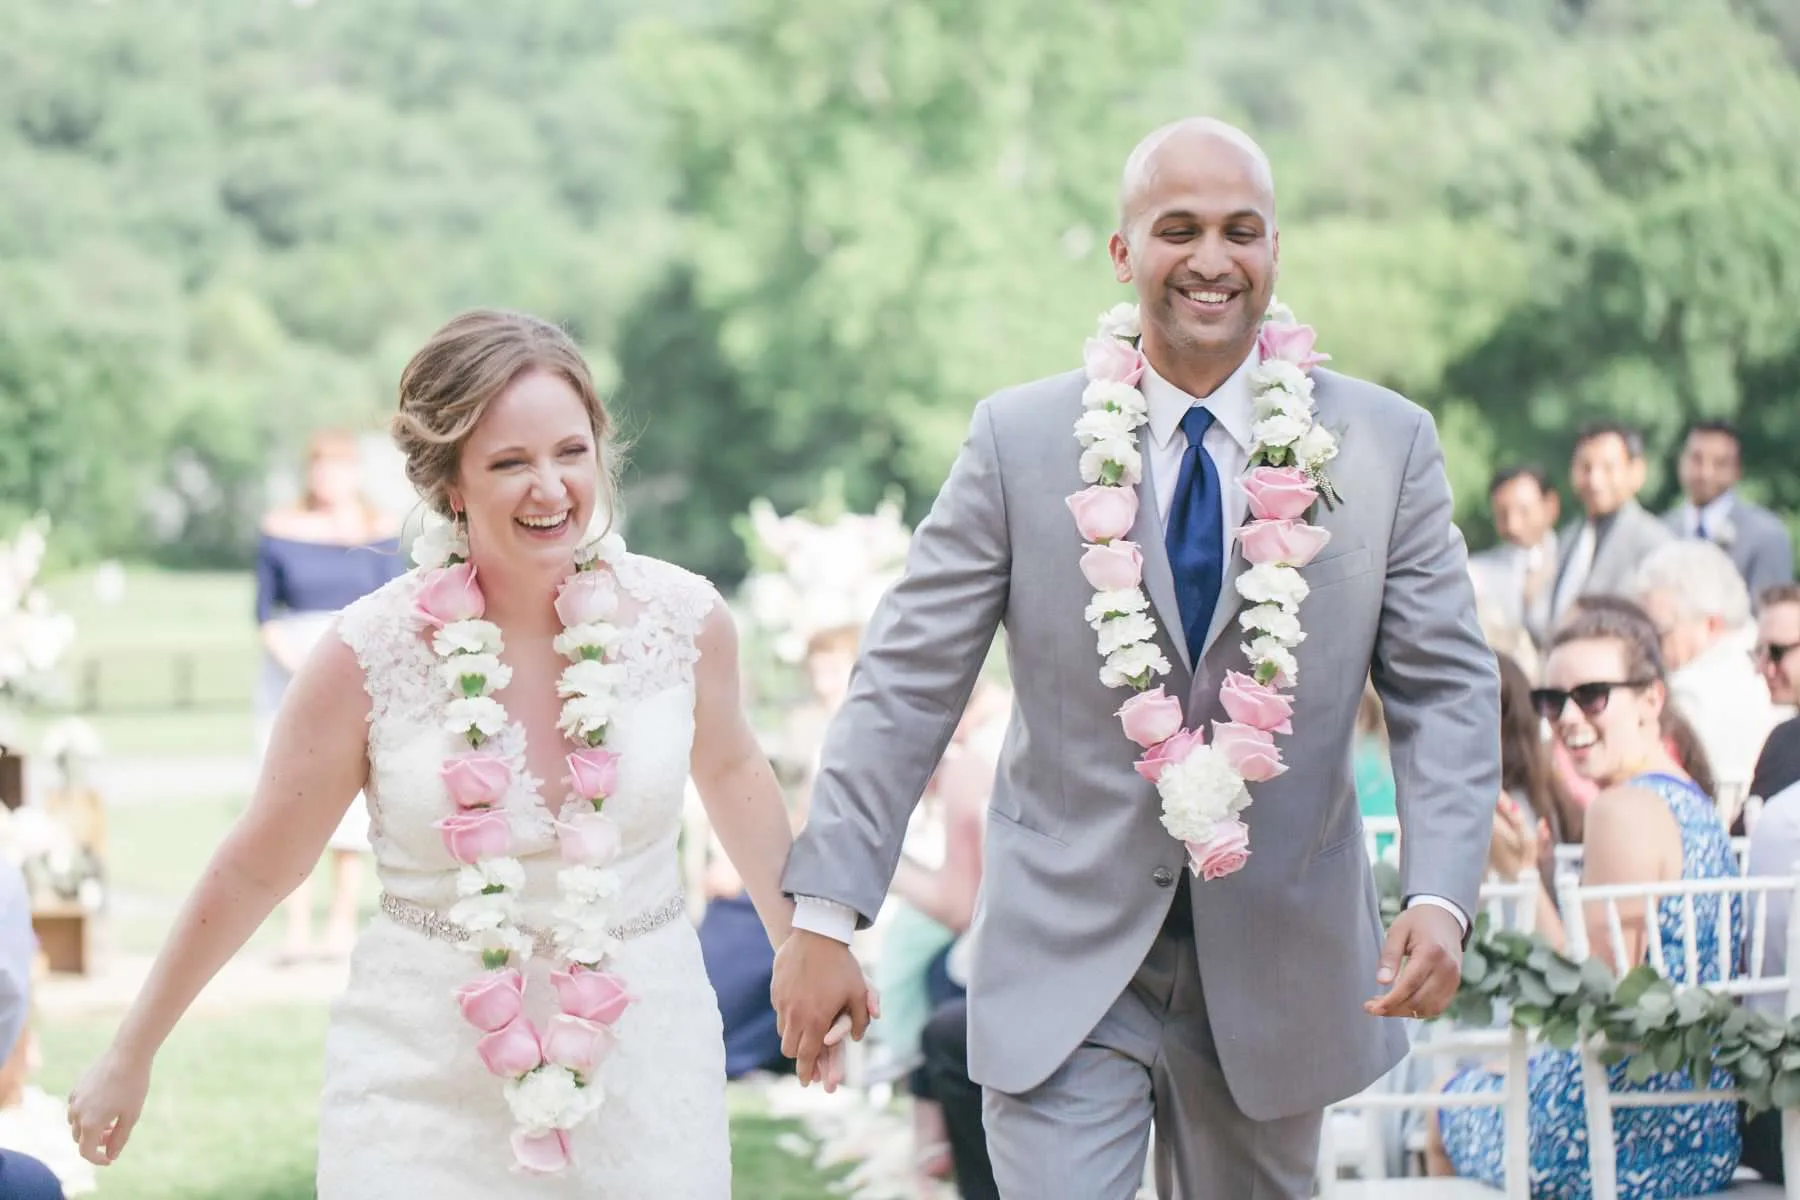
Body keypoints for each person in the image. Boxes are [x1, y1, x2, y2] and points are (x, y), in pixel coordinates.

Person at [771, 117, 1499, 1199]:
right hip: (1064, 959)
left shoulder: (1386, 447)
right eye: (1180, 229)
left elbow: (1444, 686)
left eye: (1241, 230)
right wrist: (826, 916)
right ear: (1124, 254)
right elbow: (907, 680)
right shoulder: (1018, 443)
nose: (1213, 258)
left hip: (1280, 966)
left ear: (1275, 250)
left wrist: (1440, 897)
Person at [65, 309, 859, 1196]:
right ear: (449, 484)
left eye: (571, 451)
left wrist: (805, 947)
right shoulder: (366, 654)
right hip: (419, 1083)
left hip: (645, 1059)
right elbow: (258, 864)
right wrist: (130, 1052)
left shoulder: (685, 622)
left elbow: (733, 771)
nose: (551, 488)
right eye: (511, 463)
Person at [1435, 605, 1744, 1199]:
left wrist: (1519, 875)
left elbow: (1590, 998)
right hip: (1704, 1129)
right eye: (1553, 701)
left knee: (1440, 1108)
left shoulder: (1621, 809)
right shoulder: (1694, 803)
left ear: (1652, 700)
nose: (1568, 718)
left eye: (1593, 695)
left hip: (1620, 1129)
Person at [255, 429, 406, 961]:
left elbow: (395, 603)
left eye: (339, 467)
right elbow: (265, 614)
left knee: (350, 801)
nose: (330, 478)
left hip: (358, 666)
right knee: (289, 796)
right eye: (321, 467)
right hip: (289, 666)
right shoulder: (280, 530)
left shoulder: (378, 530)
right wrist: (297, 667)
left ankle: (340, 924)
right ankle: (294, 925)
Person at [1546, 422, 1674, 629]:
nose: (1595, 480)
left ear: (1636, 471)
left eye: (1608, 468)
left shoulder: (1655, 543)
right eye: (1585, 467)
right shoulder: (1567, 539)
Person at [1662, 420, 1794, 601]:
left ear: (1737, 470)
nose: (1705, 473)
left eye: (1720, 463)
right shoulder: (1661, 531)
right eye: (1696, 459)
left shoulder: (1766, 536)